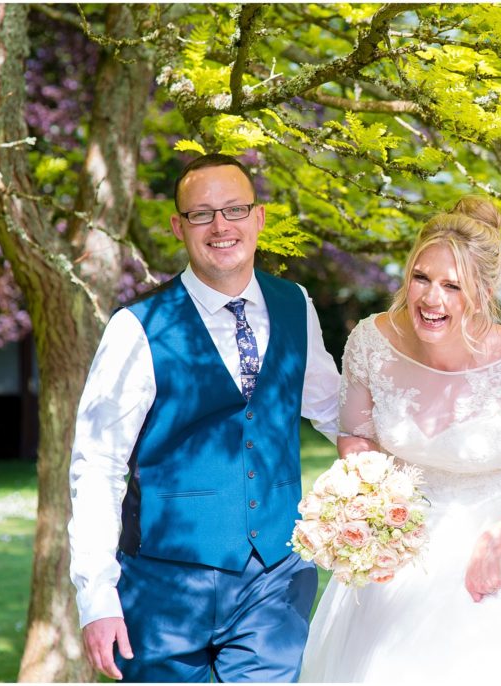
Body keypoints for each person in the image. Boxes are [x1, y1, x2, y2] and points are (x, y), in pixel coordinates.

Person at [68, 153, 341, 682]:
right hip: (164, 589)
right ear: (179, 226)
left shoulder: (295, 304)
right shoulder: (136, 328)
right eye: (202, 214)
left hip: (276, 581)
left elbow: (332, 409)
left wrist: (396, 474)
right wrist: (96, 597)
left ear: (258, 218)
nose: (221, 226)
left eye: (235, 209)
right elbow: (97, 466)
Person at [300, 196, 501, 682]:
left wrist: (495, 541)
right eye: (421, 278)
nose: (430, 299)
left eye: (452, 286)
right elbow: (357, 434)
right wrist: (373, 514)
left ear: (481, 293)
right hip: (402, 546)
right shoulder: (371, 342)